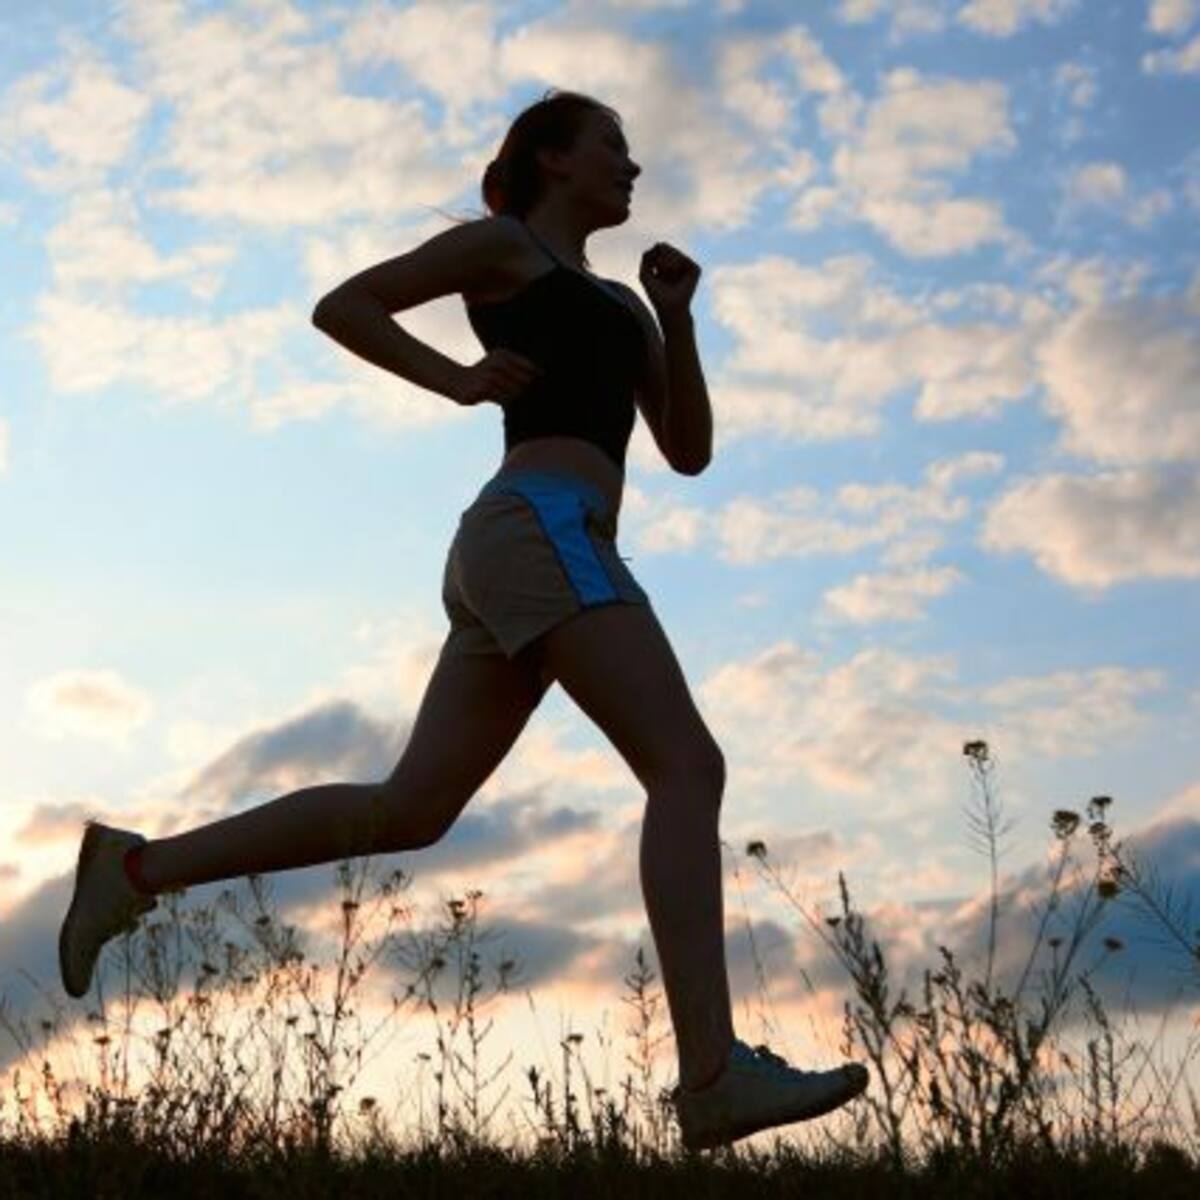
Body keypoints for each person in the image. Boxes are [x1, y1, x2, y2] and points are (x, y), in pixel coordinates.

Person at [58, 88, 868, 1151]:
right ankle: (712, 1073)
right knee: (688, 768)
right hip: (538, 527)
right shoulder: (504, 247)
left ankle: (132, 870)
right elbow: (346, 305)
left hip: (528, 545)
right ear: (551, 159)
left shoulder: (621, 304)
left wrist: (676, 315)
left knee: (410, 809)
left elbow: (687, 448)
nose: (632, 167)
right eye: (612, 148)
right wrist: (458, 381)